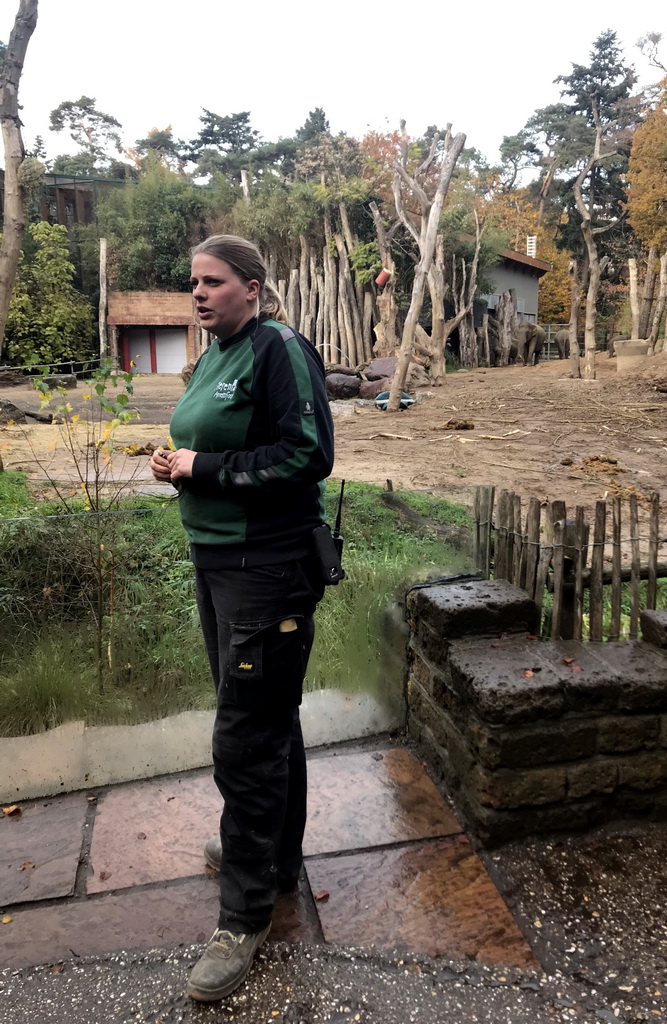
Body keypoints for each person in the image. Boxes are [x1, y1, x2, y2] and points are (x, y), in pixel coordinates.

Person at [150, 235, 334, 1002]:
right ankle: (274, 859)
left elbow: (308, 453)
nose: (198, 294)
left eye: (214, 282)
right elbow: (211, 444)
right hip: (219, 563)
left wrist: (207, 469)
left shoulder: (277, 349)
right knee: (262, 719)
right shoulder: (216, 355)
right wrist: (177, 465)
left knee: (243, 741)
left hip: (268, 571)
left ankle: (245, 916)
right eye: (193, 282)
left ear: (252, 288)